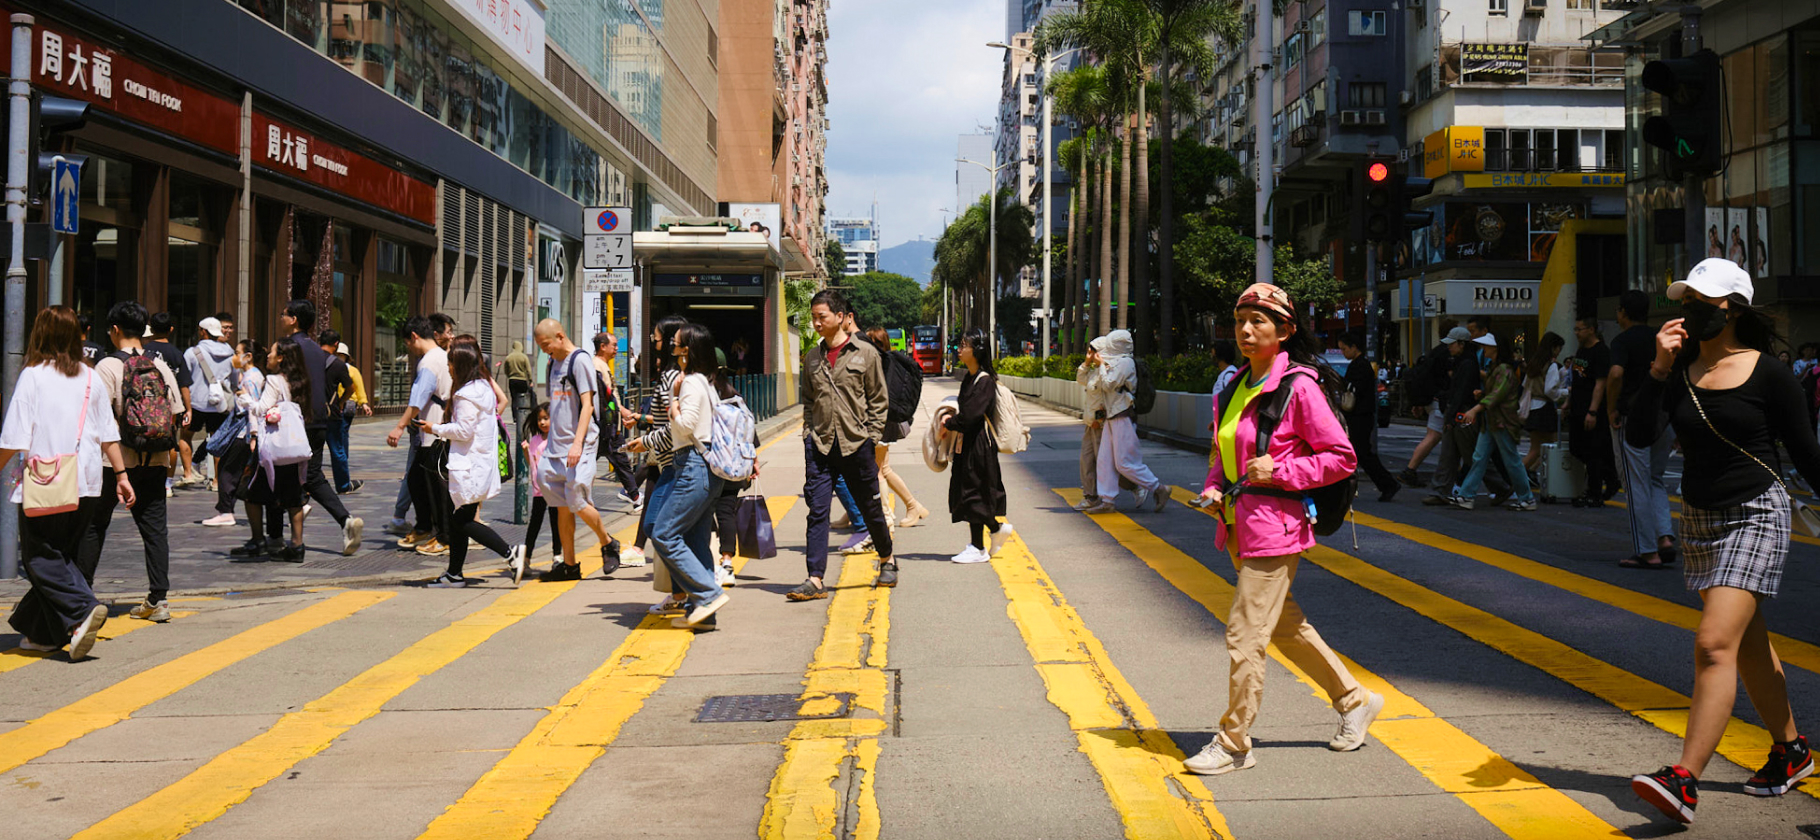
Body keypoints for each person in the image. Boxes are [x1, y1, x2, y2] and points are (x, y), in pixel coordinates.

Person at [1626, 258, 1819, 825]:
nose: (1689, 310)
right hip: (1701, 517)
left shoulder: (1769, 374)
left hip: (1758, 510)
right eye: (1685, 300)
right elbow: (1639, 435)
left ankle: (1684, 779)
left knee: (1714, 643)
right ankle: (1791, 750)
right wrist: (1659, 368)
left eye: (1702, 302)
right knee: (1747, 641)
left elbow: (1806, 456)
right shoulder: (1679, 367)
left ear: (1731, 309)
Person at [1185, 283, 1383, 776]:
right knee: (1287, 627)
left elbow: (1342, 458)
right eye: (1240, 322)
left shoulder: (1299, 387)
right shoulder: (1234, 386)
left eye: (1260, 321)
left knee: (1245, 634)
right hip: (1237, 525)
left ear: (1285, 332)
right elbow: (1222, 452)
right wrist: (1214, 489)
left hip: (1276, 527)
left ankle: (1234, 742)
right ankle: (1355, 700)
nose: (1246, 331)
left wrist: (1282, 473)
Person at [1, 305, 132, 661]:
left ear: (40, 334)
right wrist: (121, 476)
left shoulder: (33, 375)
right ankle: (43, 635)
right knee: (61, 557)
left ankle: (82, 610)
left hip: (46, 480)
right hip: (88, 480)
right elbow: (108, 433)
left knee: (40, 558)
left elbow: (14, 436)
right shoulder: (89, 376)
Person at [78, 301, 185, 621]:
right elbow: (177, 413)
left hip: (115, 462)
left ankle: (83, 598)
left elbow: (95, 417)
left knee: (94, 526)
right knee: (154, 529)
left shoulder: (107, 367)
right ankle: (158, 600)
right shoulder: (160, 365)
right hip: (155, 458)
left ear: (114, 331)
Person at [789, 289, 897, 600]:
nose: (817, 323)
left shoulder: (865, 354)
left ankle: (887, 559)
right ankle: (815, 578)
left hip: (856, 444)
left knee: (870, 507)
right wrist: (809, 433)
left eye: (821, 317)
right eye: (813, 318)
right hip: (821, 446)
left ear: (840, 317)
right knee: (817, 511)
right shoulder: (812, 358)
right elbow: (808, 400)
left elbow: (879, 400)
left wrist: (871, 437)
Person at [641, 322, 729, 629]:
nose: (670, 348)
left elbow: (685, 426)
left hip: (692, 466)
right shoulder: (706, 382)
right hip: (704, 468)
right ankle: (704, 613)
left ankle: (707, 594)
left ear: (686, 351)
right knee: (695, 541)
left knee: (664, 533)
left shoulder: (690, 382)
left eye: (674, 344)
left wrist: (674, 403)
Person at [424, 338, 524, 587]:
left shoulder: (466, 395)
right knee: (460, 517)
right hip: (479, 463)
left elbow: (464, 430)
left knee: (461, 520)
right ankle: (454, 573)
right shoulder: (483, 387)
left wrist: (433, 427)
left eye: (450, 361)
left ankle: (510, 554)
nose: (448, 366)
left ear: (459, 364)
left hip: (469, 465)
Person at [532, 318, 623, 582]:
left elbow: (588, 405)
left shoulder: (579, 360)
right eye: (538, 345)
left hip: (579, 444)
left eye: (545, 344)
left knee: (578, 501)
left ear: (560, 336)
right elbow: (556, 406)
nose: (542, 350)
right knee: (560, 504)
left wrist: (578, 443)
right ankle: (570, 566)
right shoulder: (553, 363)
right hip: (556, 446)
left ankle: (608, 542)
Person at [280, 300, 363, 555]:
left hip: (294, 420)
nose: (281, 317)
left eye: (284, 314)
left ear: (293, 319)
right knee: (313, 475)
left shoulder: (289, 347)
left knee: (281, 474)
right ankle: (345, 521)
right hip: (318, 421)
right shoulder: (319, 351)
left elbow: (281, 383)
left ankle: (280, 540)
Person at [1608, 291, 1678, 569]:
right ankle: (1665, 537)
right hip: (1663, 416)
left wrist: (1612, 408)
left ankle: (1647, 551)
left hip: (1632, 416)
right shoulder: (1659, 338)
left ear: (1623, 312)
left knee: (1636, 484)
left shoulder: (1622, 340)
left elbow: (1615, 374)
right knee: (1656, 479)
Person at [940, 328, 1012, 563]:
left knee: (974, 491)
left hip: (979, 444)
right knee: (969, 489)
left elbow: (971, 416)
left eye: (964, 345)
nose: (959, 349)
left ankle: (979, 546)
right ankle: (992, 531)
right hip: (968, 441)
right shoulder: (971, 378)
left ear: (977, 350)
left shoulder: (985, 382)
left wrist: (949, 422)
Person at [1081, 329, 1168, 514]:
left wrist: (1103, 365)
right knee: (1104, 461)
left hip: (1122, 415)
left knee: (1124, 463)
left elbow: (1109, 384)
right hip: (1113, 417)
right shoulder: (1116, 362)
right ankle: (1107, 500)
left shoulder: (1125, 363)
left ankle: (1158, 488)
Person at [1448, 334, 1538, 511]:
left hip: (1498, 421)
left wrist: (1476, 408)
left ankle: (1526, 498)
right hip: (1496, 421)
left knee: (1496, 459)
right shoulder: (1501, 368)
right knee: (1484, 458)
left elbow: (1496, 396)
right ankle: (1468, 495)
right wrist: (1481, 398)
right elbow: (1498, 395)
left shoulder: (1502, 369)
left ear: (1495, 348)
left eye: (1486, 347)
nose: (1483, 349)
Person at [244, 339, 314, 561]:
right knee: (294, 496)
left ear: (281, 357)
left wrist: (245, 399)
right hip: (293, 447)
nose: (268, 356)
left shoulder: (274, 380)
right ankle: (297, 545)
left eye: (272, 352)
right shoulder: (300, 381)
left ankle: (258, 540)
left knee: (250, 492)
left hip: (273, 449)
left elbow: (262, 409)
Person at [387, 317, 452, 555]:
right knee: (418, 479)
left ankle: (443, 536)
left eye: (407, 343)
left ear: (414, 336)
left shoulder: (428, 363)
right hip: (437, 429)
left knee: (434, 486)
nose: (409, 349)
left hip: (432, 431)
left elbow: (418, 398)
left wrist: (399, 426)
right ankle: (427, 527)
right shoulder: (443, 356)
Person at [1425, 329, 1510, 505]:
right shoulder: (1465, 362)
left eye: (1452, 343)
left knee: (1468, 455)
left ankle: (1500, 487)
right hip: (1461, 413)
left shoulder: (1466, 364)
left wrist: (1451, 416)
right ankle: (1441, 490)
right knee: (1455, 454)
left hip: (1462, 414)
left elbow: (1460, 392)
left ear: (1462, 344)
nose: (1449, 347)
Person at [864, 326, 930, 527]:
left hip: (882, 422)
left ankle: (889, 515)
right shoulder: (888, 361)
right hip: (885, 421)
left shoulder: (882, 364)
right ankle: (913, 507)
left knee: (878, 470)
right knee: (882, 468)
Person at [226, 339, 280, 558]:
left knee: (248, 488)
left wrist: (254, 435)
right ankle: (264, 537)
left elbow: (255, 408)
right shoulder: (255, 375)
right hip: (259, 436)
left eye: (237, 352)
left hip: (256, 437)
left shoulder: (252, 377)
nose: (234, 356)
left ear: (247, 355)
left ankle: (259, 538)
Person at [1337, 331, 1398, 502]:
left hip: (1360, 416)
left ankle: (1387, 484)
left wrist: (1339, 380)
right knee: (1360, 453)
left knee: (1361, 454)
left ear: (1353, 347)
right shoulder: (1359, 364)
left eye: (1344, 349)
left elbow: (1355, 389)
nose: (1343, 353)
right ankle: (1386, 484)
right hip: (1359, 415)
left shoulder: (1361, 365)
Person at [183, 316, 236, 509]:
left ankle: (188, 472)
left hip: (196, 403)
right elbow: (235, 376)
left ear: (203, 332)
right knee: (218, 442)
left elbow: (185, 377)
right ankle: (216, 482)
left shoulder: (192, 352)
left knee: (185, 436)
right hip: (219, 404)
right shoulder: (230, 352)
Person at [1400, 319, 1460, 488]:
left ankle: (1411, 470)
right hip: (1439, 400)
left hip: (1430, 399)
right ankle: (1410, 470)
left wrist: (1418, 402)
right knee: (1436, 437)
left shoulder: (1434, 352)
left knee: (1437, 437)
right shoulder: (1447, 354)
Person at [1568, 314, 1618, 506]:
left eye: (1580, 329)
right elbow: (1577, 380)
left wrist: (1593, 411)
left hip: (1592, 408)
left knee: (1592, 452)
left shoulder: (1601, 352)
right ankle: (1611, 477)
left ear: (1591, 329)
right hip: (1578, 407)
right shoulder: (1581, 351)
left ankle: (1594, 492)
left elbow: (1600, 384)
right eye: (1576, 329)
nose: (1577, 333)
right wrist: (1569, 403)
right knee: (1576, 448)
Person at [591, 330, 642, 507]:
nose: (616, 349)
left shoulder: (602, 365)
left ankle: (634, 495)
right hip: (607, 426)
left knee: (620, 461)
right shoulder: (597, 366)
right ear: (602, 347)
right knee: (620, 460)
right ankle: (635, 496)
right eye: (613, 345)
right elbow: (607, 398)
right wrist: (622, 412)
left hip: (609, 425)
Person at [315, 329, 363, 497]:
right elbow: (351, 388)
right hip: (331, 412)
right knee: (337, 449)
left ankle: (308, 484)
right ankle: (343, 485)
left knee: (312, 449)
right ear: (336, 344)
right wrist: (341, 402)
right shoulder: (338, 364)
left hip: (311, 412)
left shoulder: (310, 360)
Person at [518, 403, 566, 568]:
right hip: (539, 490)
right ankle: (526, 557)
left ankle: (557, 555)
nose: (542, 422)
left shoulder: (556, 439)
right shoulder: (535, 440)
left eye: (546, 418)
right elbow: (531, 462)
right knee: (535, 523)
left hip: (554, 488)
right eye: (540, 419)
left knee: (555, 521)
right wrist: (525, 450)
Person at [1520, 331, 1569, 481]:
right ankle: (1515, 478)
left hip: (1533, 408)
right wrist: (1565, 392)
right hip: (1544, 409)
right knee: (1537, 449)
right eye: (1559, 348)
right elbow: (1550, 390)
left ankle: (1527, 474)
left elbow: (1524, 385)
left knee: (1542, 447)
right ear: (1554, 348)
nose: (1559, 352)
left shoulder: (1534, 364)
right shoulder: (1552, 365)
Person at [330, 339, 373, 494]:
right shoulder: (333, 367)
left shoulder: (352, 370)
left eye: (342, 355)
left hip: (347, 404)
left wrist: (364, 403)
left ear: (347, 357)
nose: (340, 357)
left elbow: (359, 388)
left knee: (342, 432)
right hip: (335, 405)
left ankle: (343, 457)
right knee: (340, 433)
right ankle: (342, 457)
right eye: (338, 354)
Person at [503, 339, 535, 427]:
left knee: (514, 399)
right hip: (522, 380)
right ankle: (524, 415)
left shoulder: (509, 357)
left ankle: (515, 417)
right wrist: (530, 380)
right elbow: (528, 370)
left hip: (512, 380)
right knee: (523, 399)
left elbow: (505, 369)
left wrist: (509, 375)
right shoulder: (523, 357)